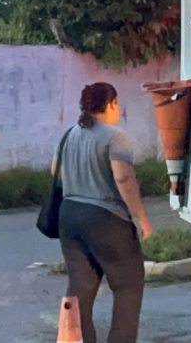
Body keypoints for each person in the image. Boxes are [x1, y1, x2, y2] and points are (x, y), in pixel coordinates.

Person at [53, 83, 153, 343]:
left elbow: (55, 170)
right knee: (128, 285)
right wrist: (141, 218)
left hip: (69, 215)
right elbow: (123, 178)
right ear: (111, 105)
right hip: (106, 219)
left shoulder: (68, 135)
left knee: (79, 290)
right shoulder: (115, 136)